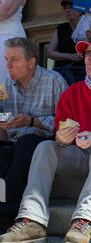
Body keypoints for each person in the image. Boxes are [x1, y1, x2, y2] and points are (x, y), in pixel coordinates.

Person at [0, 37, 91, 243]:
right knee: (44, 147)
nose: (89, 59)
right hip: (78, 155)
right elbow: (59, 128)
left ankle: (84, 220)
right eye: (87, 54)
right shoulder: (72, 92)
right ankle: (32, 220)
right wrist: (61, 138)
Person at [0, 38, 68, 233]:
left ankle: (6, 214)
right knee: (3, 152)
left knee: (27, 142)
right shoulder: (5, 85)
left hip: (47, 144)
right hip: (15, 142)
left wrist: (31, 121)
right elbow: (4, 115)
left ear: (32, 62)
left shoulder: (54, 80)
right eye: (6, 59)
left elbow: (66, 123)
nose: (8, 65)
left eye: (14, 59)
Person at [47, 0, 86, 85]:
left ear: (80, 11)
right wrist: (70, 56)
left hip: (83, 73)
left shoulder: (89, 28)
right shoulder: (61, 29)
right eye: (65, 8)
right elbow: (49, 52)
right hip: (62, 72)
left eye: (71, 8)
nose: (67, 11)